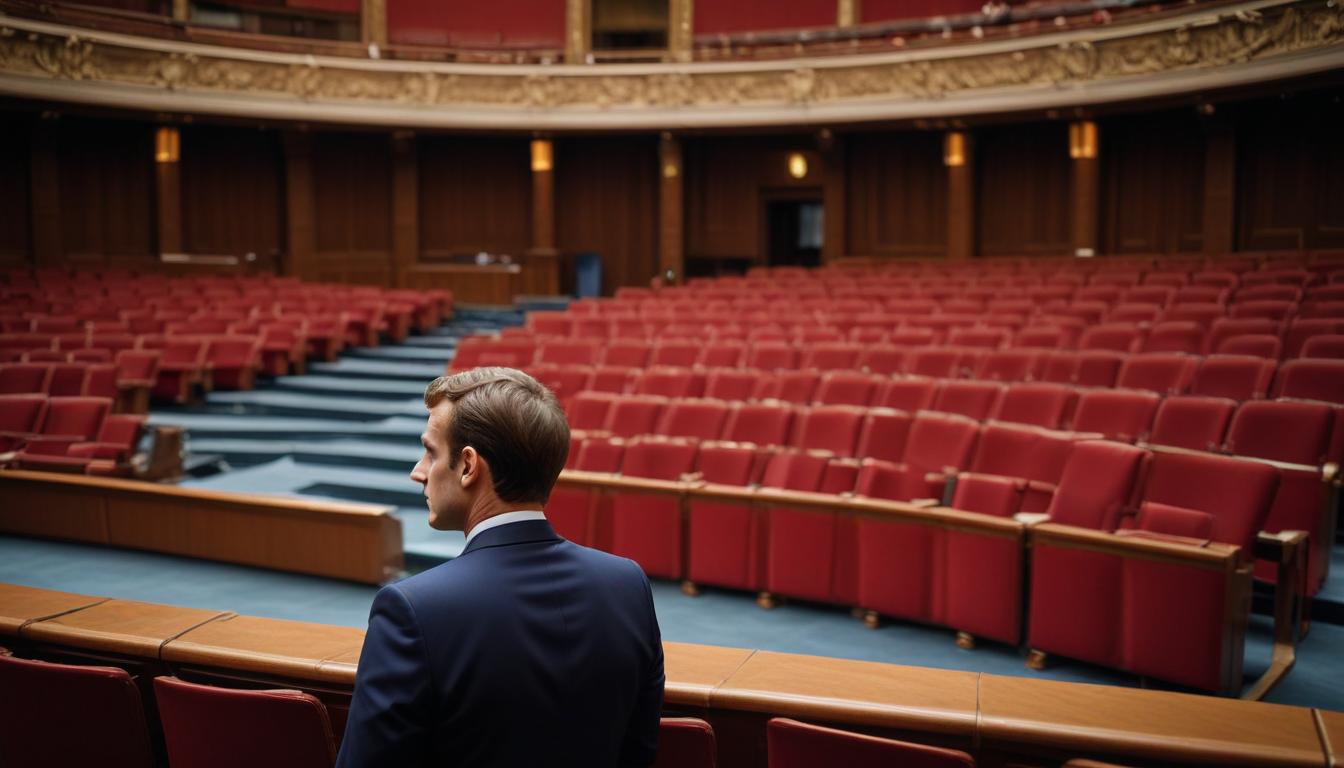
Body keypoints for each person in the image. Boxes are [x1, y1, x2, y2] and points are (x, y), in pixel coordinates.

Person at [336, 367, 664, 767]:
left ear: (469, 466)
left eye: (431, 451)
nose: (418, 472)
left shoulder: (413, 610)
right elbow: (639, 753)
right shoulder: (628, 585)